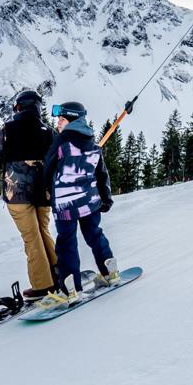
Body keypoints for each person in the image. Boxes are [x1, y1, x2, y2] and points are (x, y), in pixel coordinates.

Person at [40, 101, 119, 306]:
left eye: (62, 119)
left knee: (66, 242)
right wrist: (106, 198)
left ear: (73, 120)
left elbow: (48, 168)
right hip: (89, 202)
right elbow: (101, 174)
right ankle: (110, 271)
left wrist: (47, 190)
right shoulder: (93, 144)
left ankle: (70, 289)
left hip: (66, 205)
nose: (57, 123)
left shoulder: (62, 143)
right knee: (95, 235)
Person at [0, 90, 58, 300]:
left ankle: (43, 286)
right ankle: (57, 274)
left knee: (31, 238)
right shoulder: (48, 131)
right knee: (43, 232)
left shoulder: (8, 129)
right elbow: (56, 163)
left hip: (17, 192)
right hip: (43, 192)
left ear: (19, 106)